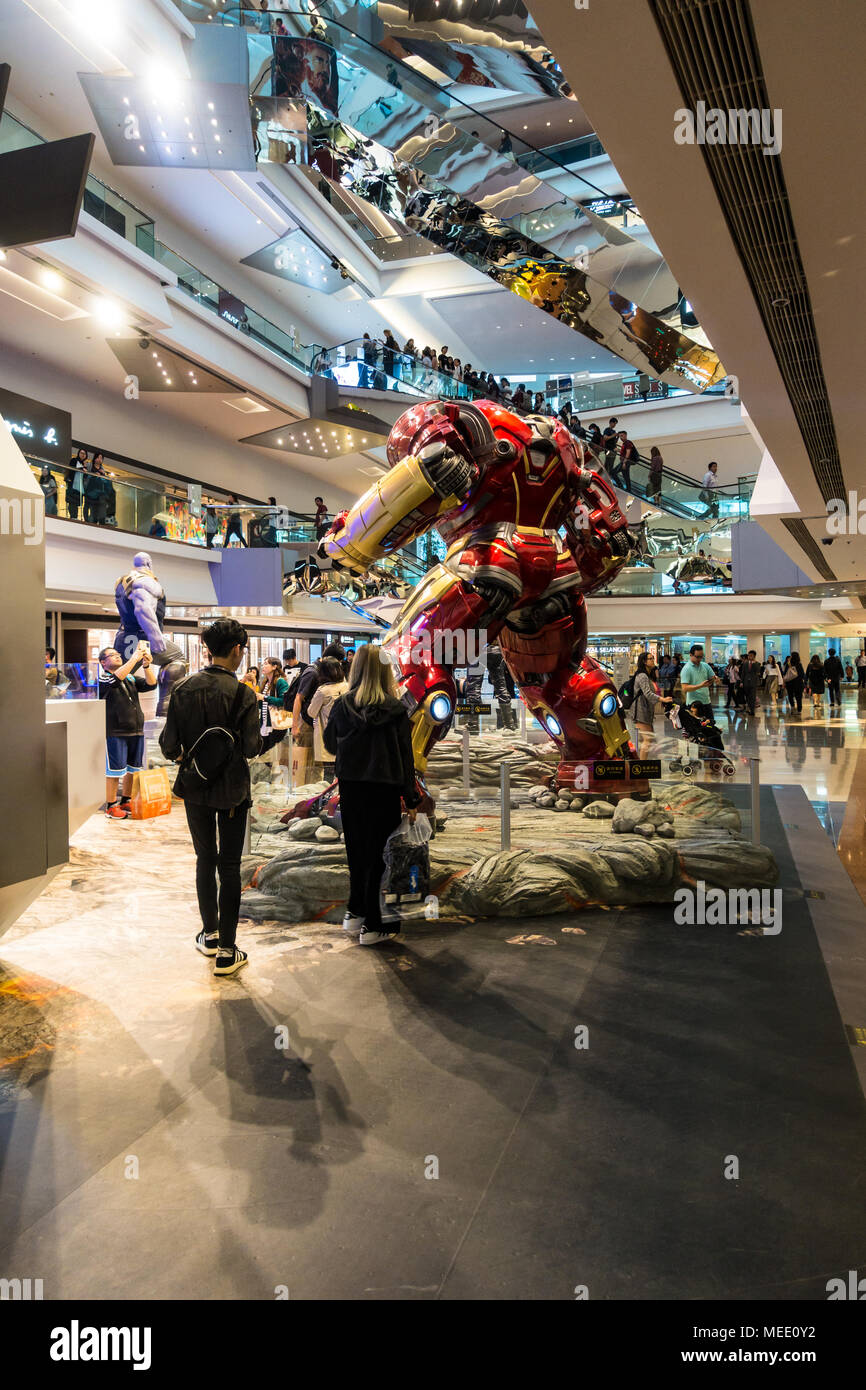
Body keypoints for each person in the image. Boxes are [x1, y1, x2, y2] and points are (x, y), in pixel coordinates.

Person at [159, 618, 261, 976]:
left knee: (205, 857)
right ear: (236, 650)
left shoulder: (184, 689)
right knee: (230, 866)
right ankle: (228, 952)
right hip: (232, 790)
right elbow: (251, 747)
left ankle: (210, 934)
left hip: (195, 787)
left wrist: (189, 757)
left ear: (207, 648)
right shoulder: (245, 695)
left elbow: (168, 745)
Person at [323, 642, 420, 945]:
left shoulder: (342, 705)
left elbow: (330, 745)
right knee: (383, 858)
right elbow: (406, 758)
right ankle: (376, 925)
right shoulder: (396, 709)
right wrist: (412, 797)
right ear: (385, 670)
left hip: (351, 789)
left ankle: (355, 913)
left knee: (357, 853)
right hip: (385, 790)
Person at [98, 640, 157, 818]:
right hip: (115, 732)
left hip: (136, 730)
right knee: (114, 771)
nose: (117, 656)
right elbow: (115, 681)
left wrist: (146, 665)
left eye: (118, 654)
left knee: (132, 769)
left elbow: (151, 684)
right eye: (112, 655)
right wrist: (134, 659)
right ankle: (110, 805)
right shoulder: (103, 678)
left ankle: (126, 801)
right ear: (103, 662)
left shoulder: (130, 677)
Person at [307, 654, 348, 780]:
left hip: (328, 736)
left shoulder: (322, 691)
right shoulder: (348, 686)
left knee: (329, 774)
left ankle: (329, 798)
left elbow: (311, 712)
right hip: (346, 735)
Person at [632, 651, 669, 756]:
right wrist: (662, 699)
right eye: (651, 659)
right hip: (640, 710)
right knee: (647, 739)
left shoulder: (648, 675)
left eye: (653, 658)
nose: (653, 660)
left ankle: (641, 762)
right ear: (644, 661)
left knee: (647, 739)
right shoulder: (642, 676)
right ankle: (641, 766)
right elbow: (647, 693)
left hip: (646, 709)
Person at [679, 642, 716, 721]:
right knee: (695, 729)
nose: (699, 659)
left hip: (706, 702)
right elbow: (685, 688)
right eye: (697, 657)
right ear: (691, 655)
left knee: (710, 727)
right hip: (694, 705)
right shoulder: (686, 669)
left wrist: (715, 679)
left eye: (701, 657)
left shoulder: (705, 665)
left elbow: (713, 677)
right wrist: (700, 686)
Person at [738, 649, 760, 715]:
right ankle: (749, 708)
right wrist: (741, 682)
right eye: (749, 655)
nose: (750, 657)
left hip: (753, 683)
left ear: (754, 656)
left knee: (752, 697)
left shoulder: (757, 663)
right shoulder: (745, 663)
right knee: (747, 697)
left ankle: (752, 711)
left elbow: (758, 671)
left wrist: (754, 664)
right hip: (746, 682)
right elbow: (743, 673)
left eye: (751, 656)